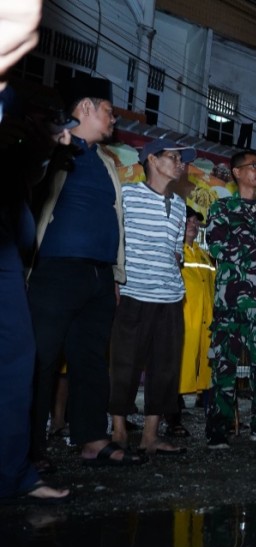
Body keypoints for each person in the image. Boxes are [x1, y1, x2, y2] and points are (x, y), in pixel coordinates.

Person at [29, 75, 147, 468]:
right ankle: (27, 447)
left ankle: (92, 439)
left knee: (90, 359)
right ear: (85, 108)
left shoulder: (103, 161)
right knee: (41, 358)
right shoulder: (53, 146)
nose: (114, 119)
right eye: (109, 111)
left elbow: (115, 219)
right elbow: (28, 184)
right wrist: (47, 146)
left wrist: (115, 274)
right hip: (57, 271)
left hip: (99, 278)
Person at [0, 78, 71, 502]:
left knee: (16, 355)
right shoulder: (15, 120)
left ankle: (14, 473)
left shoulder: (25, 140)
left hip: (7, 243)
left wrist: (47, 149)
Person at [109, 139, 195, 456]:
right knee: (125, 364)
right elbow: (115, 240)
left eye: (181, 159)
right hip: (133, 294)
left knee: (165, 367)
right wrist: (114, 280)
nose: (179, 163)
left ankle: (150, 436)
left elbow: (176, 254)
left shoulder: (180, 206)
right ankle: (118, 431)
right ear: (152, 161)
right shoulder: (128, 195)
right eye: (173, 157)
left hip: (171, 299)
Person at [205, 151, 256, 449]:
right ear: (236, 172)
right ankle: (218, 429)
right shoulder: (222, 208)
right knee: (224, 367)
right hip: (231, 302)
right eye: (254, 166)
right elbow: (217, 247)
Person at [170, 206, 214, 436]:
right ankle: (172, 419)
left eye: (197, 222)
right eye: (189, 221)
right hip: (182, 320)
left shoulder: (203, 254)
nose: (194, 225)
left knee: (206, 369)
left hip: (205, 325)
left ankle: (213, 416)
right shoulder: (173, 251)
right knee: (175, 368)